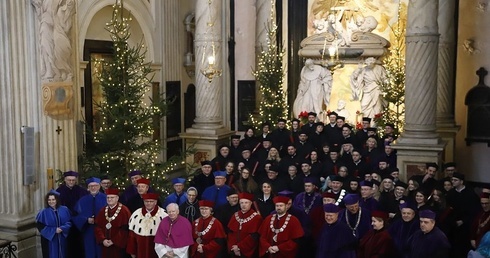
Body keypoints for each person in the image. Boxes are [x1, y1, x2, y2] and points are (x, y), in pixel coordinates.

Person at [446, 172, 481, 258]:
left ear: (461, 182)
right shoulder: (451, 193)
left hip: (465, 226)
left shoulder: (470, 194)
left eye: (455, 180)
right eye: (452, 180)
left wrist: (463, 221)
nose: (453, 182)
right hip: (453, 225)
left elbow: (474, 211)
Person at [55, 170, 87, 258]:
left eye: (73, 180)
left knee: (79, 246)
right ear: (65, 180)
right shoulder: (58, 192)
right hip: (65, 223)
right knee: (67, 247)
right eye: (69, 180)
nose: (71, 182)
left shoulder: (82, 191)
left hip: (79, 223)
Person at [73, 177, 107, 258]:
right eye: (91, 186)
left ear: (99, 186)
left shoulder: (106, 198)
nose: (93, 188)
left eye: (95, 185)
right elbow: (75, 216)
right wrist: (86, 220)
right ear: (88, 188)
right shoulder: (82, 200)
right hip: (88, 231)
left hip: (103, 231)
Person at [127, 193, 168, 258]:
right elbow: (132, 236)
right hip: (140, 250)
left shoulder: (163, 215)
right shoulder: (136, 214)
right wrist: (132, 251)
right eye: (146, 201)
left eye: (151, 201)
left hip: (157, 251)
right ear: (143, 202)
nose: (148, 203)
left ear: (155, 202)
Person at [94, 188, 132, 258]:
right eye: (108, 197)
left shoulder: (124, 210)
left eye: (112, 197)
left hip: (118, 247)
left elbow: (125, 229)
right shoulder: (102, 211)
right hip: (105, 245)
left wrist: (113, 241)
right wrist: (103, 239)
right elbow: (97, 227)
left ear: (117, 198)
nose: (109, 199)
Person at [36, 190, 72, 258]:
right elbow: (40, 227)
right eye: (49, 200)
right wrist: (54, 230)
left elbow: (69, 222)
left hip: (62, 238)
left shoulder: (64, 209)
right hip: (50, 240)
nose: (51, 202)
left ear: (57, 200)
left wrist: (62, 228)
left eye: (53, 199)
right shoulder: (43, 212)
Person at [227, 192, 263, 257]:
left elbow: (254, 237)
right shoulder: (235, 215)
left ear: (251, 203)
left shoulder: (257, 218)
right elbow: (230, 233)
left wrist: (239, 247)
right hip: (234, 251)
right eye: (242, 203)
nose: (243, 205)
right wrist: (233, 247)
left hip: (248, 251)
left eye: (246, 203)